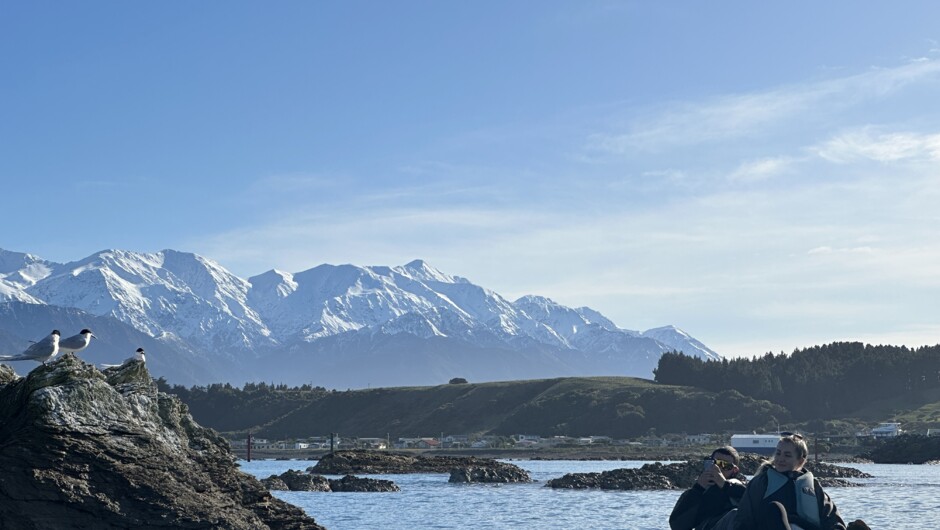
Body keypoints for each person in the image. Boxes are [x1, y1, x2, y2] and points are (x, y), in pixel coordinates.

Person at [733, 433, 846, 530]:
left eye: (787, 455)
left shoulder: (813, 486)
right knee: (775, 508)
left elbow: (833, 521)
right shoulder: (762, 482)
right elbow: (744, 519)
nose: (780, 459)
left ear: (801, 460)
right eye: (778, 453)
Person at [670, 446, 747, 530]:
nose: (717, 468)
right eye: (713, 463)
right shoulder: (696, 492)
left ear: (734, 470)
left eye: (724, 465)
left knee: (733, 514)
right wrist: (698, 489)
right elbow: (677, 525)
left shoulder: (740, 489)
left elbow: (750, 500)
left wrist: (724, 485)